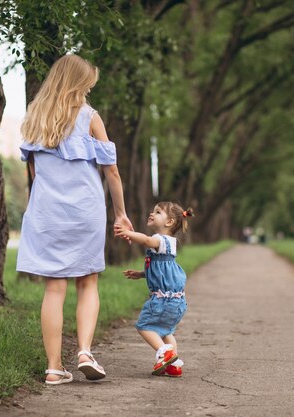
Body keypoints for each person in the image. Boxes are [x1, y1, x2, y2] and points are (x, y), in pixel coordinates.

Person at [16, 54, 133, 385]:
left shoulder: (34, 118)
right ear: (79, 84)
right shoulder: (90, 117)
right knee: (88, 280)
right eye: (87, 84)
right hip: (85, 209)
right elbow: (111, 171)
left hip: (47, 212)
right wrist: (121, 213)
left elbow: (35, 172)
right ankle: (84, 351)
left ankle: (53, 368)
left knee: (54, 287)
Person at [115, 202, 194, 378]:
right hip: (177, 300)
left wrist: (128, 233)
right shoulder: (170, 244)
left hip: (162, 301)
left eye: (158, 212)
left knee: (144, 326)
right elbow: (162, 271)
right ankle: (173, 366)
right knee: (167, 332)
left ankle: (164, 353)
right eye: (153, 211)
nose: (152, 214)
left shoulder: (160, 240)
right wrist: (142, 274)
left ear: (169, 222)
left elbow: (146, 240)